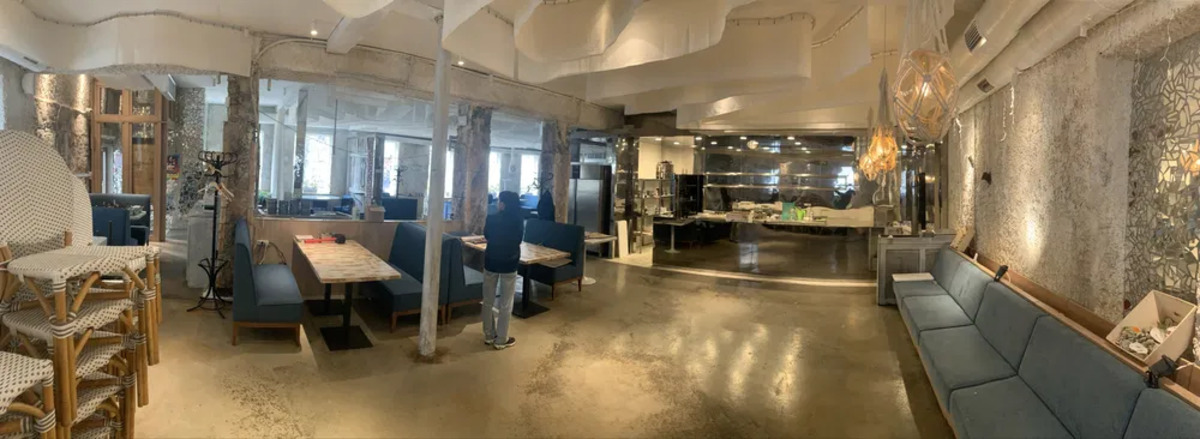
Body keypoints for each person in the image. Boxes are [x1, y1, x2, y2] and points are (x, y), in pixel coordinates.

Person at [482, 191, 524, 350]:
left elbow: (487, 236)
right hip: (509, 263)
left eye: (500, 201)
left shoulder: (491, 218)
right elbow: (518, 240)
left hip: (491, 262)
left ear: (503, 204)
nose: (498, 203)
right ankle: (501, 339)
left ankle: (488, 335)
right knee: (506, 303)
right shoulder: (518, 220)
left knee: (487, 300)